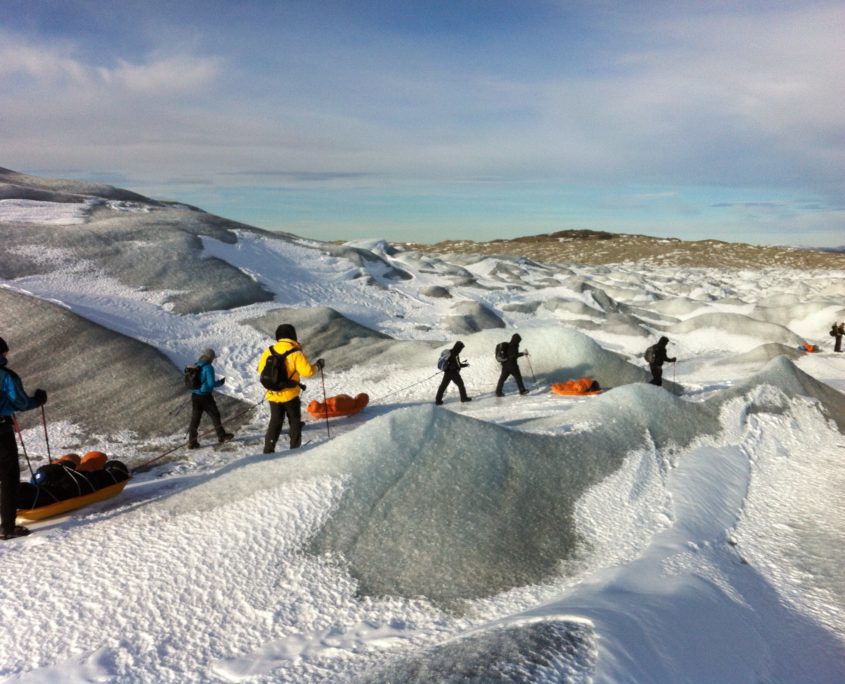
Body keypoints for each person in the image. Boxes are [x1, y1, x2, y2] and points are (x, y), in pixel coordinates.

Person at [0, 336, 47, 540]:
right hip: (0, 433)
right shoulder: (6, 376)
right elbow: (21, 403)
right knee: (8, 478)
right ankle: (7, 528)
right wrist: (39, 399)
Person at [258, 324, 323, 453]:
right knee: (294, 421)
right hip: (290, 395)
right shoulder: (296, 352)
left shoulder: (269, 351)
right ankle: (295, 449)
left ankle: (268, 449)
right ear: (292, 335)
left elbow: (260, 370)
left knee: (275, 422)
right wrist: (318, 365)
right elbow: (308, 372)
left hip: (273, 394)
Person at [187, 348, 234, 449]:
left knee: (195, 419)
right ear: (210, 357)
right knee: (215, 415)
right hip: (205, 396)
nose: (213, 360)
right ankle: (222, 436)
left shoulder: (196, 365)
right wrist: (220, 383)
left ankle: (192, 441)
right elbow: (211, 384)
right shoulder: (208, 367)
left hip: (195, 396)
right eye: (213, 358)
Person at [435, 341, 472, 405]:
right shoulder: (453, 354)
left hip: (447, 373)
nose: (461, 350)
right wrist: (453, 367)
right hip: (453, 373)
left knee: (443, 386)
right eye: (461, 348)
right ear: (458, 347)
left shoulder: (453, 353)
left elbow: (458, 364)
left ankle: (438, 400)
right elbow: (454, 364)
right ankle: (463, 398)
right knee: (461, 384)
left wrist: (464, 365)